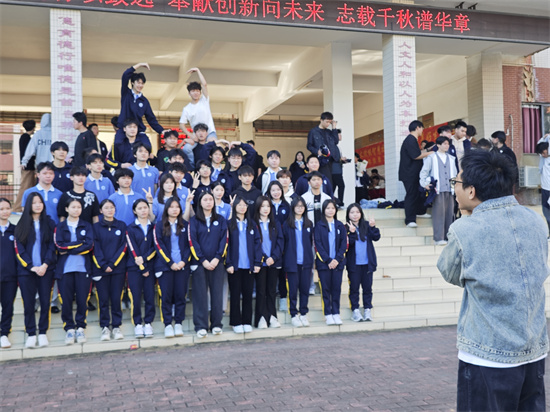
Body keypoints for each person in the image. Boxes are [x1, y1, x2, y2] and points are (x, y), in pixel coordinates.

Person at [437, 149, 549, 412]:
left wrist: (468, 218)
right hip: (533, 348)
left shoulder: (465, 229)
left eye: (456, 182)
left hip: (486, 352)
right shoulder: (536, 221)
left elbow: (449, 272)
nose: (454, 188)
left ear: (471, 191)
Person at [14, 193, 57, 348]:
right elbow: (18, 249)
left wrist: (45, 265)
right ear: (28, 205)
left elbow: (53, 246)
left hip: (46, 269)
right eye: (34, 203)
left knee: (45, 302)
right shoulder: (21, 224)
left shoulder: (49, 223)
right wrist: (31, 266)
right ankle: (31, 333)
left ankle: (43, 332)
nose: (38, 205)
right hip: (27, 271)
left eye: (40, 202)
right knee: (29, 304)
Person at [54, 198, 94, 345]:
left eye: (79, 207)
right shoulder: (60, 226)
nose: (76, 209)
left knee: (83, 300)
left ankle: (81, 327)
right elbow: (59, 246)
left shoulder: (86, 225)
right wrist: (79, 244)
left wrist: (70, 248)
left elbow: (89, 245)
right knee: (66, 301)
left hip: (83, 268)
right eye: (73, 207)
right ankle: (69, 328)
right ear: (67, 209)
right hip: (65, 269)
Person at [189, 191, 228, 338]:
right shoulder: (194, 221)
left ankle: (216, 324)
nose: (208, 202)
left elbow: (224, 240)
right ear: (200, 202)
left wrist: (217, 258)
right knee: (200, 295)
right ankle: (201, 326)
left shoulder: (221, 220)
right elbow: (192, 241)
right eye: (205, 199)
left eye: (210, 199)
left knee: (217, 293)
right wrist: (203, 260)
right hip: (199, 263)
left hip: (217, 263)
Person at [154, 198, 192, 338]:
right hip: (165, 267)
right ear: (166, 209)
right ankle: (168, 324)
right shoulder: (159, 226)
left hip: (182, 266)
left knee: (181, 295)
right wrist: (170, 263)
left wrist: (183, 262)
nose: (175, 209)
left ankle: (178, 323)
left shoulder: (185, 225)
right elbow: (159, 246)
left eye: (177, 207)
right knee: (166, 296)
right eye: (171, 207)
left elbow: (189, 245)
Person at [92, 199, 127, 341]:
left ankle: (116, 326)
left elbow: (123, 246)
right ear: (101, 211)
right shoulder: (95, 227)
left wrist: (112, 264)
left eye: (112, 207)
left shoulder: (121, 225)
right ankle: (105, 327)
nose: (110, 210)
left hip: (118, 268)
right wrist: (103, 265)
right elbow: (95, 247)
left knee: (116, 298)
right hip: (100, 269)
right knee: (103, 299)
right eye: (106, 208)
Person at [226, 196, 262, 333]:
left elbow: (257, 244)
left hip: (249, 266)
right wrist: (228, 263)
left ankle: (247, 321)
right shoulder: (229, 224)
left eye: (244, 205)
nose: (242, 207)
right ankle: (236, 322)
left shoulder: (252, 224)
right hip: (234, 266)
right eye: (239, 205)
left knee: (248, 295)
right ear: (234, 206)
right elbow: (226, 245)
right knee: (235, 295)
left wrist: (257, 262)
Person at [125, 199, 156, 339]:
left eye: (145, 207)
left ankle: (148, 323)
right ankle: (137, 324)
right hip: (134, 268)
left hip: (150, 267)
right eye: (140, 208)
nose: (143, 211)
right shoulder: (130, 228)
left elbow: (155, 246)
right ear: (134, 211)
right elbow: (132, 249)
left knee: (150, 296)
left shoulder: (154, 227)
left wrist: (145, 260)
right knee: (135, 296)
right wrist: (141, 266)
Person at [115, 62, 165, 149]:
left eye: (142, 83)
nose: (140, 85)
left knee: (147, 147)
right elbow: (125, 75)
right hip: (123, 130)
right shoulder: (126, 93)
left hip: (138, 131)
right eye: (138, 83)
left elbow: (151, 119)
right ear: (132, 83)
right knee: (117, 147)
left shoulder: (144, 101)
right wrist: (140, 65)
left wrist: (162, 130)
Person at [314, 199, 347, 326]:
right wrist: (328, 260)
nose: (330, 210)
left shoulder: (340, 225)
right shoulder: (319, 225)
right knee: (326, 289)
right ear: (323, 210)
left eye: (332, 208)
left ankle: (336, 313)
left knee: (336, 289)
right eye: (328, 208)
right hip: (324, 264)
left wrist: (337, 260)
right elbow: (318, 244)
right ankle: (328, 314)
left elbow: (343, 244)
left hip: (338, 264)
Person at [419, 136, 458, 245]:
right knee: (438, 213)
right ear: (438, 145)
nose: (447, 146)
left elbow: (454, 174)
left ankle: (448, 237)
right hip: (438, 189)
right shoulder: (432, 157)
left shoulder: (451, 158)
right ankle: (438, 238)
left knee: (449, 213)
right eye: (444, 144)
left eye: (448, 144)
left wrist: (455, 188)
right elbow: (424, 172)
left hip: (450, 189)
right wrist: (424, 184)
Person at [283, 196, 314, 327]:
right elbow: (284, 243)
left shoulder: (309, 224)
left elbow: (310, 243)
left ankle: (303, 313)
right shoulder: (287, 224)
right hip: (292, 263)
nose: (300, 208)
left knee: (305, 289)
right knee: (293, 290)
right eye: (297, 206)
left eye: (302, 206)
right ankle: (293, 314)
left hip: (306, 262)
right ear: (293, 208)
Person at [345, 204, 380, 322]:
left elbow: (376, 237)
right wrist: (352, 233)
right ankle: (355, 310)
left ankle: (367, 309)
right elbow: (347, 245)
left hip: (367, 263)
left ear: (361, 213)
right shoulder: (345, 227)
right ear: (348, 214)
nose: (355, 215)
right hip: (354, 264)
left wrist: (373, 227)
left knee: (367, 288)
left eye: (357, 212)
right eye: (352, 212)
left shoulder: (366, 225)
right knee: (354, 288)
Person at [253, 196, 284, 329]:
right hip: (260, 263)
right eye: (263, 206)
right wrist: (265, 257)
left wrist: (273, 257)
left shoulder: (275, 223)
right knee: (261, 291)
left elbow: (280, 241)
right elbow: (254, 244)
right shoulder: (254, 223)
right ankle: (261, 318)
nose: (265, 209)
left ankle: (272, 316)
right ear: (258, 207)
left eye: (268, 206)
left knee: (271, 291)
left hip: (273, 262)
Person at [398, 120, 433, 228]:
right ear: (418, 127)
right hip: (409, 174)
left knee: (418, 193)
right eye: (422, 128)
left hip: (414, 174)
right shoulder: (410, 139)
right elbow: (416, 156)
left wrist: (427, 150)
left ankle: (420, 212)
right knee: (411, 195)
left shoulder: (412, 140)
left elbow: (417, 153)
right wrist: (430, 153)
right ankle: (409, 220)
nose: (422, 131)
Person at [179, 68, 217, 142]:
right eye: (193, 91)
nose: (195, 93)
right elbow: (181, 125)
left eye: (197, 91)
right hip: (197, 136)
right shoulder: (187, 109)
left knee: (213, 143)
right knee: (187, 147)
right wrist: (191, 136)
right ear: (189, 93)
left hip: (210, 132)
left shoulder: (204, 100)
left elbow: (204, 85)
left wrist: (198, 70)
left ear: (200, 92)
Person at [0, 199, 17, 348]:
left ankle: (4, 334)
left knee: (8, 307)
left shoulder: (16, 230)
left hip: (11, 277)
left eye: (7, 208)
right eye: (1, 209)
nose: (5, 211)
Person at [307, 112, 342, 185]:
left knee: (334, 182)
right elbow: (309, 146)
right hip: (322, 159)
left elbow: (336, 141)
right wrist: (317, 151)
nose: (328, 124)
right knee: (325, 180)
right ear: (321, 120)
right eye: (327, 122)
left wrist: (334, 128)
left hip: (332, 159)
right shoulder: (313, 132)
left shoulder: (329, 132)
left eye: (330, 122)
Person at [14, 120, 37, 212]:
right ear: (33, 128)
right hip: (28, 167)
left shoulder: (24, 137)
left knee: (30, 186)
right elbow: (30, 152)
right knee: (25, 186)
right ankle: (17, 207)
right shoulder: (27, 138)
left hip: (27, 166)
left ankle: (25, 207)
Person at [536, 136, 550, 233]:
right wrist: (544, 137)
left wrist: (549, 136)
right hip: (545, 189)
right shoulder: (543, 158)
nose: (543, 155)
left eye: (544, 152)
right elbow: (539, 144)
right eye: (542, 153)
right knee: (546, 212)